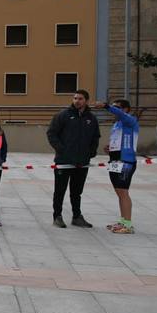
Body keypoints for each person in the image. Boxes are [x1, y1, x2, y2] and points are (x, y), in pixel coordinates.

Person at [46, 89, 100, 228]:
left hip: (82, 162)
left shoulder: (91, 118)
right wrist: (61, 149)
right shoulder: (63, 115)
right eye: (75, 98)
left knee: (77, 192)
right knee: (60, 190)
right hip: (64, 161)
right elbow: (52, 133)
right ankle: (57, 216)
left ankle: (77, 216)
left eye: (80, 98)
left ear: (86, 101)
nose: (77, 101)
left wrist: (91, 152)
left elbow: (95, 137)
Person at [98, 98, 140, 234]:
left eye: (117, 107)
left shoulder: (130, 120)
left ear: (126, 109)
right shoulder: (117, 124)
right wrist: (110, 148)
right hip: (115, 160)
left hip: (126, 161)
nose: (114, 110)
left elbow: (120, 114)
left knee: (123, 192)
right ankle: (123, 220)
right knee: (119, 192)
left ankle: (128, 224)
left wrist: (105, 106)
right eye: (113, 107)